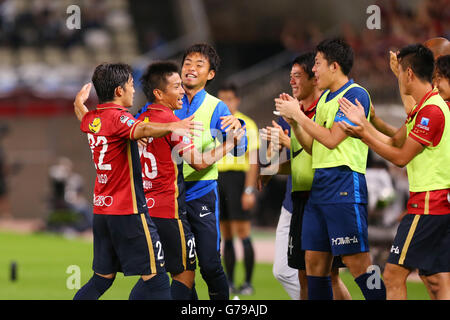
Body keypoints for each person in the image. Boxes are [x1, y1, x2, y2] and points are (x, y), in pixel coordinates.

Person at [72, 63, 201, 300]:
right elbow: (141, 129)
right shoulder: (119, 117)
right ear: (119, 90)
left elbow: (85, 118)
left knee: (101, 279)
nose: (134, 91)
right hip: (129, 212)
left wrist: (78, 104)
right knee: (158, 280)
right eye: (131, 86)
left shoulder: (95, 119)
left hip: (102, 211)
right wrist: (173, 125)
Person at [275, 38, 386, 300]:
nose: (314, 70)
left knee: (358, 262)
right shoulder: (325, 98)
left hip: (345, 185)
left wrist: (300, 116)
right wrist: (294, 122)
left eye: (317, 63)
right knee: (314, 264)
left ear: (334, 66)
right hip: (320, 188)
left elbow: (333, 139)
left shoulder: (355, 94)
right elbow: (314, 146)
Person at [339, 44, 450, 300]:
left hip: (428, 205)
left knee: (392, 275)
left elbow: (400, 157)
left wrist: (364, 134)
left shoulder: (431, 111)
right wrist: (366, 125)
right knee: (436, 279)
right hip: (434, 204)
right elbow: (395, 142)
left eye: (399, 72)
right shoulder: (425, 106)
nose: (397, 76)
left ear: (409, 73)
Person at [135, 61, 244, 299]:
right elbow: (201, 162)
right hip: (171, 207)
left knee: (162, 272)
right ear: (159, 92)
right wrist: (230, 143)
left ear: (210, 74)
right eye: (176, 85)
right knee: (185, 273)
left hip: (152, 207)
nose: (182, 89)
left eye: (199, 64)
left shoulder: (141, 121)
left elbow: (119, 129)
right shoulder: (171, 122)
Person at [260, 53, 351, 300]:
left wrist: (288, 139)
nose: (292, 81)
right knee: (302, 273)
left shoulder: (325, 109)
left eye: (297, 76)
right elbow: (278, 158)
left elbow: (319, 150)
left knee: (328, 274)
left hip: (324, 197)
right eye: (290, 77)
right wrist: (270, 161)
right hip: (297, 199)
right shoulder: (291, 110)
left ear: (314, 77)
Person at [174, 43, 248, 300]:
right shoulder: (168, 101)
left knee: (209, 263)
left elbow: (240, 150)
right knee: (180, 268)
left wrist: (239, 132)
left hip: (202, 193)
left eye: (199, 65)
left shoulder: (218, 108)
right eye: (187, 63)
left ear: (211, 74)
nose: (191, 69)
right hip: (170, 196)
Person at [216, 83, 258, 295]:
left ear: (237, 100)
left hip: (238, 179)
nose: (226, 103)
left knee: (243, 232)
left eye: (229, 99)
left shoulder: (246, 123)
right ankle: (231, 282)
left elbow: (253, 161)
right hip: (218, 179)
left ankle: (248, 283)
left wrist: (249, 190)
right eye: (222, 98)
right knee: (226, 234)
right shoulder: (215, 122)